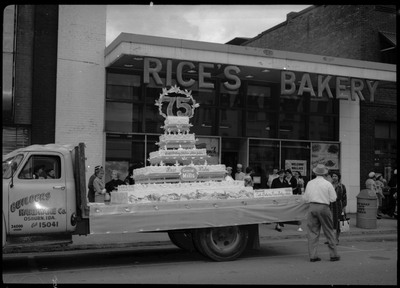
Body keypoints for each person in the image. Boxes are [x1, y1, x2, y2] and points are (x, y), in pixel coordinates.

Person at [302, 164, 340, 262]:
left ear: (315, 173)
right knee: (329, 230)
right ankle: (334, 255)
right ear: (325, 173)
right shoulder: (327, 184)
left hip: (312, 207)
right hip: (323, 207)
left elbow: (305, 198)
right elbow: (333, 198)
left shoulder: (310, 183)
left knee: (312, 232)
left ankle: (313, 256)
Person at [327, 171, 347, 244]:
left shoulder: (342, 186)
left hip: (339, 206)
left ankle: (336, 239)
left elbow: (344, 197)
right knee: (329, 222)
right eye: (333, 176)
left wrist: (344, 208)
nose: (334, 177)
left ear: (338, 177)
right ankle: (329, 238)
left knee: (338, 223)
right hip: (330, 205)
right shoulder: (329, 185)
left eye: (336, 176)